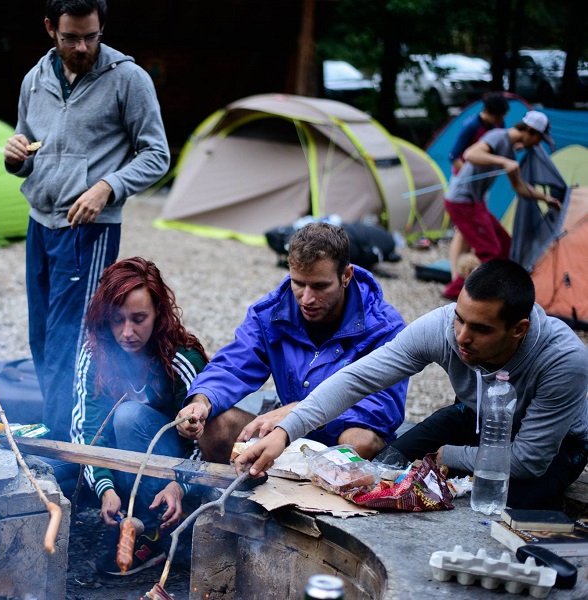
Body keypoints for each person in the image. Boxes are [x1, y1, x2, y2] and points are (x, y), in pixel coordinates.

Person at [238, 259, 588, 510]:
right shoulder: (442, 328)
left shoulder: (563, 360)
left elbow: (528, 460)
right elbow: (357, 379)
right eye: (460, 319)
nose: (462, 338)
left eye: (480, 329)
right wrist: (283, 433)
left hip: (556, 445)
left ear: (519, 329)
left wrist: (451, 456)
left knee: (490, 505)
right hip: (476, 415)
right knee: (389, 469)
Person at [3, 0, 170, 441]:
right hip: (40, 222)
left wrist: (108, 187)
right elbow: (28, 145)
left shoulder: (129, 79)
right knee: (41, 336)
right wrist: (15, 157)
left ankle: (66, 446)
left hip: (88, 230)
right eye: (70, 37)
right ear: (49, 29)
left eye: (91, 36)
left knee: (71, 340)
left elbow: (157, 154)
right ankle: (59, 429)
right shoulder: (34, 79)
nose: (82, 46)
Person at [176, 223, 409, 463]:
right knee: (216, 424)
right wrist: (202, 400)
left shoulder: (383, 326)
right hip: (284, 436)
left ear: (346, 276)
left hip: (341, 442)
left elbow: (383, 408)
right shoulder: (271, 313)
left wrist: (301, 412)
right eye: (298, 283)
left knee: (360, 441)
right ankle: (240, 495)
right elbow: (234, 365)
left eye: (320, 286)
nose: (307, 298)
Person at [71, 257, 207, 576]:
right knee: (56, 469)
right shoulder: (95, 357)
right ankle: (128, 522)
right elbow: (86, 433)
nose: (127, 332)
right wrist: (104, 488)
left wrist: (179, 485)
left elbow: (206, 442)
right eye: (117, 320)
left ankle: (153, 534)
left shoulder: (181, 360)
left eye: (139, 318)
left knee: (129, 416)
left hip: (172, 475)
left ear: (158, 314)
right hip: (121, 469)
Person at [442, 110, 561, 300]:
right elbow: (470, 153)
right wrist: (503, 161)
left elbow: (519, 186)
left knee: (505, 245)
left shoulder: (510, 148)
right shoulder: (498, 136)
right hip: (462, 201)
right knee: (489, 251)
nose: (538, 144)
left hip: (475, 202)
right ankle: (456, 291)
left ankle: (493, 289)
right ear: (529, 131)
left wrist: (546, 199)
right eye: (539, 139)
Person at [446, 92, 509, 280]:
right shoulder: (472, 126)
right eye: (498, 115)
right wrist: (469, 173)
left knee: (474, 230)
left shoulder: (499, 126)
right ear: (489, 112)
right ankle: (455, 275)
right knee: (462, 230)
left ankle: (469, 271)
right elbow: (454, 156)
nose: (500, 120)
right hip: (464, 183)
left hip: (481, 186)